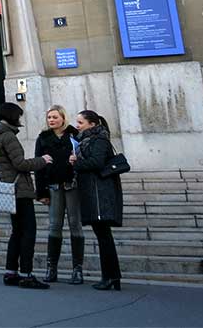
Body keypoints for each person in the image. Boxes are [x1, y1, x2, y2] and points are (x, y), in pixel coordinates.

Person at [0, 102, 53, 289]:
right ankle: (26, 274)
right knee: (28, 231)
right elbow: (20, 164)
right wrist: (43, 160)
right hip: (20, 189)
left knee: (17, 231)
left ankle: (11, 272)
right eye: (19, 115)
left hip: (9, 188)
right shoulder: (8, 136)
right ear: (12, 116)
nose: (20, 119)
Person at [70, 110, 123, 291]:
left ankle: (110, 276)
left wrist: (75, 163)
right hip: (93, 191)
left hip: (99, 192)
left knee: (104, 236)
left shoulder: (99, 140)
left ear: (92, 124)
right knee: (102, 235)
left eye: (80, 122)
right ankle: (111, 276)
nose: (77, 126)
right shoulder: (86, 140)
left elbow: (97, 162)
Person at [34, 105, 84, 284]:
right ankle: (51, 268)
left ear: (63, 118)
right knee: (54, 225)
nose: (52, 120)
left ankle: (77, 269)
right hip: (53, 186)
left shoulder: (74, 136)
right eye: (49, 117)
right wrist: (40, 192)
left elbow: (85, 156)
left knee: (74, 224)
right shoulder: (43, 138)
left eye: (55, 117)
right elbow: (39, 167)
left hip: (72, 184)